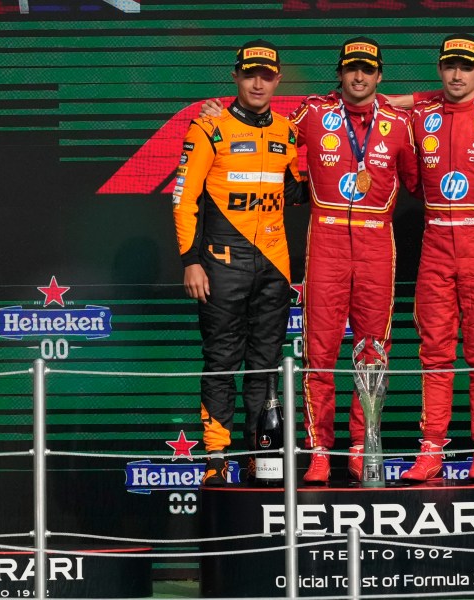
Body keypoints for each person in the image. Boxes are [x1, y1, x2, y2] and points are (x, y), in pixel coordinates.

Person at [173, 39, 307, 486]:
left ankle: (260, 454)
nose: (257, 82)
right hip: (220, 264)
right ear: (236, 76)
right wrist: (191, 261)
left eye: (266, 75)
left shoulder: (288, 131)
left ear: (277, 80)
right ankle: (216, 455)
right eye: (249, 74)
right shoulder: (209, 126)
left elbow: (298, 191)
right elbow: (183, 199)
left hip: (276, 267)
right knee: (221, 360)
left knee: (266, 362)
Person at [290, 37, 418, 484]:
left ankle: (365, 447)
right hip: (324, 243)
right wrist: (217, 111)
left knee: (373, 354)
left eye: (367, 70)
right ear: (339, 74)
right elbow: (262, 129)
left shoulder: (400, 123)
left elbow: (419, 180)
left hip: (376, 246)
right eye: (350, 70)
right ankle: (320, 451)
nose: (358, 77)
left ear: (380, 75)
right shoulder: (313, 113)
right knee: (319, 355)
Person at [400, 34, 474, 483]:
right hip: (436, 241)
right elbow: (364, 104)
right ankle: (431, 450)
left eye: (466, 66)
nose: (457, 75)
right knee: (435, 352)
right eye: (449, 66)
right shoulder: (419, 115)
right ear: (440, 69)